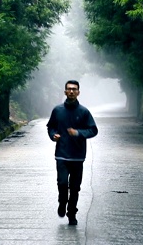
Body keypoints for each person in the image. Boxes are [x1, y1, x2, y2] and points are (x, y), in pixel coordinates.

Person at [46, 80, 98, 225]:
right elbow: (50, 127)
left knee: (75, 187)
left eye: (74, 89)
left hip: (77, 156)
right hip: (61, 154)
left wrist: (78, 133)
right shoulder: (57, 110)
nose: (71, 91)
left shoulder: (84, 112)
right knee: (62, 183)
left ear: (78, 92)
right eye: (69, 89)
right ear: (65, 92)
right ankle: (62, 203)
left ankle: (71, 213)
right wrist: (53, 135)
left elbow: (93, 130)